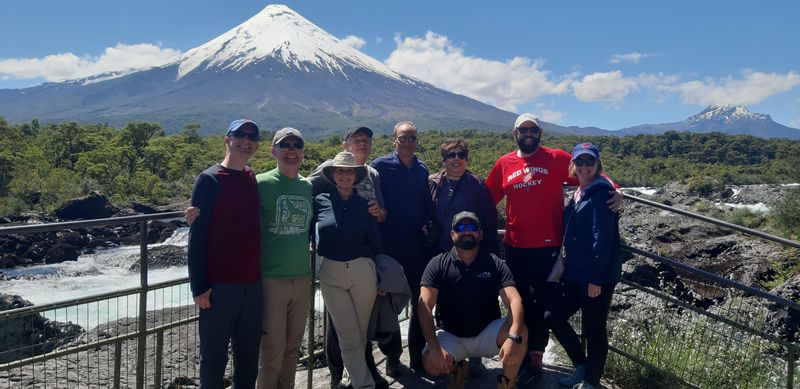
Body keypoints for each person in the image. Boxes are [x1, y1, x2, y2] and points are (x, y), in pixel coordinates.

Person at [485, 113, 622, 381]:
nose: (528, 133)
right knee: (520, 305)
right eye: (523, 129)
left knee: (544, 307)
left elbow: (590, 174)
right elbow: (486, 197)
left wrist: (616, 189)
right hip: (514, 247)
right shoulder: (504, 163)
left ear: (540, 133)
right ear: (515, 134)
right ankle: (522, 357)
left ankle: (537, 357)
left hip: (548, 249)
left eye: (532, 130)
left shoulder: (556, 158)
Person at [308, 126, 396, 389]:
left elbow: (379, 227)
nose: (345, 175)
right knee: (345, 332)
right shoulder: (320, 198)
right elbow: (299, 195)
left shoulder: (372, 179)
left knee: (358, 331)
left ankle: (353, 377)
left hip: (362, 268)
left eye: (366, 140)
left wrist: (381, 273)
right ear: (333, 173)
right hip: (331, 270)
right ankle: (357, 380)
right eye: (356, 140)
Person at [187, 119, 263, 389]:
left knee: (248, 356)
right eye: (239, 134)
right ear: (227, 139)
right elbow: (197, 235)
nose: (246, 140)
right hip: (219, 286)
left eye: (252, 136)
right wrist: (199, 286)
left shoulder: (251, 177)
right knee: (214, 358)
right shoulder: (208, 179)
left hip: (252, 284)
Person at [419, 211, 527, 389]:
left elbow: (514, 301)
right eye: (461, 227)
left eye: (472, 227)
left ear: (480, 233)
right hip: (451, 335)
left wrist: (512, 337)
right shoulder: (437, 264)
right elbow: (424, 307)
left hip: (487, 333)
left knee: (520, 332)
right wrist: (435, 348)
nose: (467, 231)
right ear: (452, 234)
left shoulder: (494, 263)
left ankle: (507, 383)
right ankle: (458, 369)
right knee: (431, 363)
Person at [546, 143, 621, 389]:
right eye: (580, 162)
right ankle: (581, 365)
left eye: (590, 162)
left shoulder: (601, 193)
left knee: (595, 330)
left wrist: (597, 279)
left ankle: (591, 381)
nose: (584, 166)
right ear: (573, 165)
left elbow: (603, 238)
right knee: (553, 317)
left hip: (595, 277)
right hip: (575, 273)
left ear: (598, 165)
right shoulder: (579, 191)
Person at [371, 121, 432, 373]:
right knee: (389, 303)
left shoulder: (422, 169)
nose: (407, 142)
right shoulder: (379, 166)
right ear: (393, 140)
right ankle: (393, 356)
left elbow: (427, 203)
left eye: (411, 138)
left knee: (421, 302)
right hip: (389, 246)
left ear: (417, 141)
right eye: (402, 138)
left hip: (418, 246)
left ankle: (417, 355)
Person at [256, 127, 314, 389]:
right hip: (271, 278)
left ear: (303, 151)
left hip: (302, 277)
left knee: (293, 348)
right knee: (272, 350)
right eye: (285, 145)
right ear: (273, 151)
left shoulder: (307, 185)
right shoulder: (261, 183)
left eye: (296, 145)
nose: (291, 150)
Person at [427, 138, 498, 256]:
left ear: (466, 160)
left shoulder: (477, 186)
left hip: (470, 253)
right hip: (437, 251)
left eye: (461, 155)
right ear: (444, 161)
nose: (457, 158)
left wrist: (490, 253)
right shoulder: (432, 183)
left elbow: (489, 221)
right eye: (451, 155)